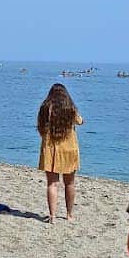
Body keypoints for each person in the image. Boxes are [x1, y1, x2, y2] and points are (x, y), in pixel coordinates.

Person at [37, 83, 83, 224]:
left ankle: (52, 216)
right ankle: (69, 215)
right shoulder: (70, 109)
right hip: (69, 149)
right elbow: (80, 122)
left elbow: (40, 128)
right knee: (70, 183)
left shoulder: (45, 108)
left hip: (51, 149)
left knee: (52, 184)